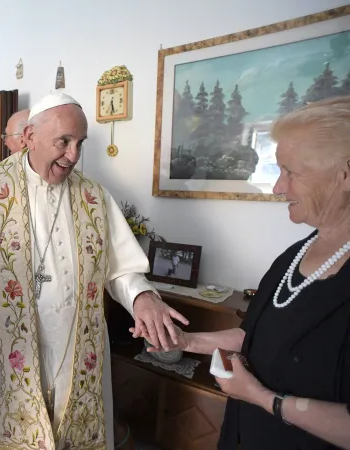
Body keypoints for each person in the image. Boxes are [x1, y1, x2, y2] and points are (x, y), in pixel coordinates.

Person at [0, 92, 189, 450]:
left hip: (79, 352)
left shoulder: (94, 197)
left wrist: (142, 297)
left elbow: (120, 271)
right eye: (63, 141)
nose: (73, 156)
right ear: (29, 137)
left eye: (80, 143)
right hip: (12, 354)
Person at [148, 95, 350, 450]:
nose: (277, 187)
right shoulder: (295, 255)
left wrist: (261, 397)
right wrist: (186, 341)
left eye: (292, 172)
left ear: (345, 174)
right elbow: (254, 336)